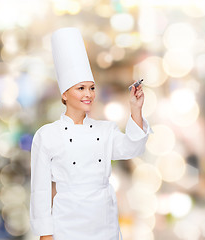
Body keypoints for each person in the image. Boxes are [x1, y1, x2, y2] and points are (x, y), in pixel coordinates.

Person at [29, 27, 153, 240]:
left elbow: (133, 148)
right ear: (65, 94)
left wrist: (135, 108)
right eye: (81, 88)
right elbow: (39, 191)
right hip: (67, 224)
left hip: (104, 222)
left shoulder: (105, 130)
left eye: (92, 88)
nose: (88, 94)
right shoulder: (47, 135)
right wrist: (45, 234)